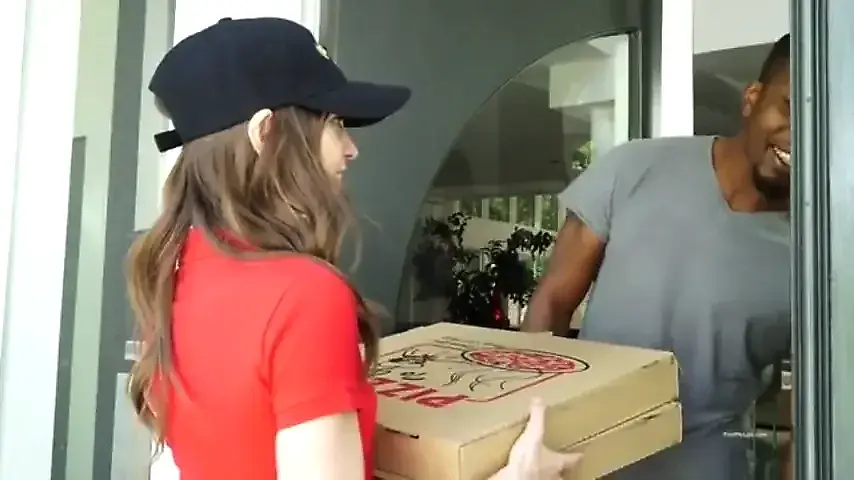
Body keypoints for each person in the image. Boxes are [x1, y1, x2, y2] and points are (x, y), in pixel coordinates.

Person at [126, 17, 580, 480]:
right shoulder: (303, 295)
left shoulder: (172, 273)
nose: (350, 149)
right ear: (266, 133)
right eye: (335, 123)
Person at [522, 34, 792, 480]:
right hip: (586, 455)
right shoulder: (633, 167)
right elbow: (552, 301)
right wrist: (531, 428)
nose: (800, 135)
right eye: (788, 107)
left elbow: (813, 411)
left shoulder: (817, 256)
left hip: (709, 464)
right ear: (752, 98)